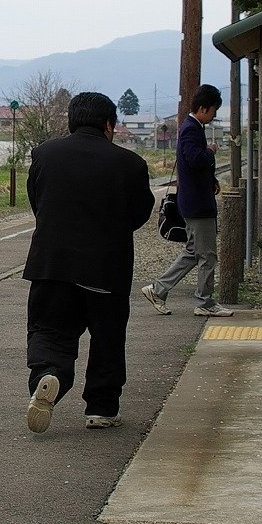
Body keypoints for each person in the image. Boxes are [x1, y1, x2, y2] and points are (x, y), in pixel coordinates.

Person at [21, 92, 154, 433]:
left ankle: (49, 374)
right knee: (107, 336)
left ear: (71, 122)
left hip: (51, 263)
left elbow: (38, 201)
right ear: (109, 124)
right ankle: (101, 408)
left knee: (49, 330)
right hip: (106, 268)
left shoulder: (45, 155)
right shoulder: (130, 164)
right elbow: (140, 212)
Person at [142, 84, 235, 318]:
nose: (213, 116)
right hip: (197, 205)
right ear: (203, 108)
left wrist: (212, 179)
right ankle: (205, 302)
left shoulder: (191, 127)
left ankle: (158, 290)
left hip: (194, 201)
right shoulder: (191, 130)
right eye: (213, 111)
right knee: (207, 255)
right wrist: (210, 151)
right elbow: (195, 159)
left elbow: (193, 165)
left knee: (193, 252)